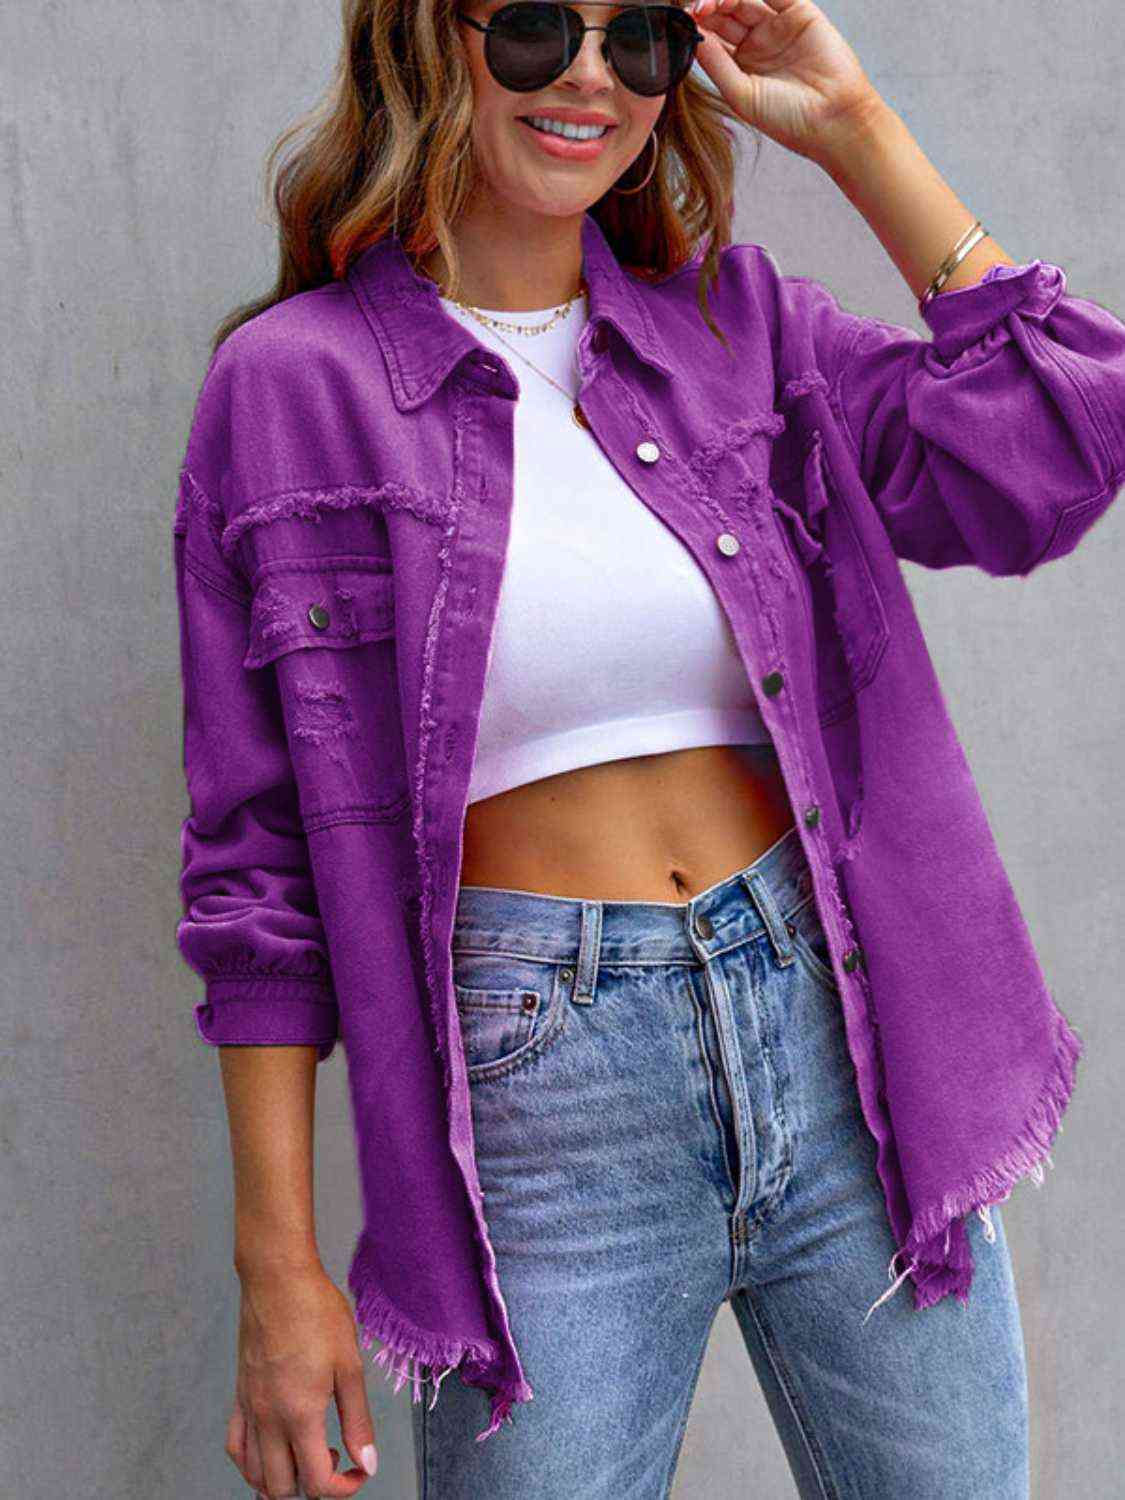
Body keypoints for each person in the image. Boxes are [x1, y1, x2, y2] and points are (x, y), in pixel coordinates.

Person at [172, 1, 1124, 1496]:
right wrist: (277, 1269)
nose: (589, 77)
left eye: (639, 40)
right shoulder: (294, 386)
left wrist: (855, 129)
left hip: (840, 1046)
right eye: (536, 27)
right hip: (541, 1099)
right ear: (428, 40)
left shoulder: (740, 330)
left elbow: (1056, 442)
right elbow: (256, 873)